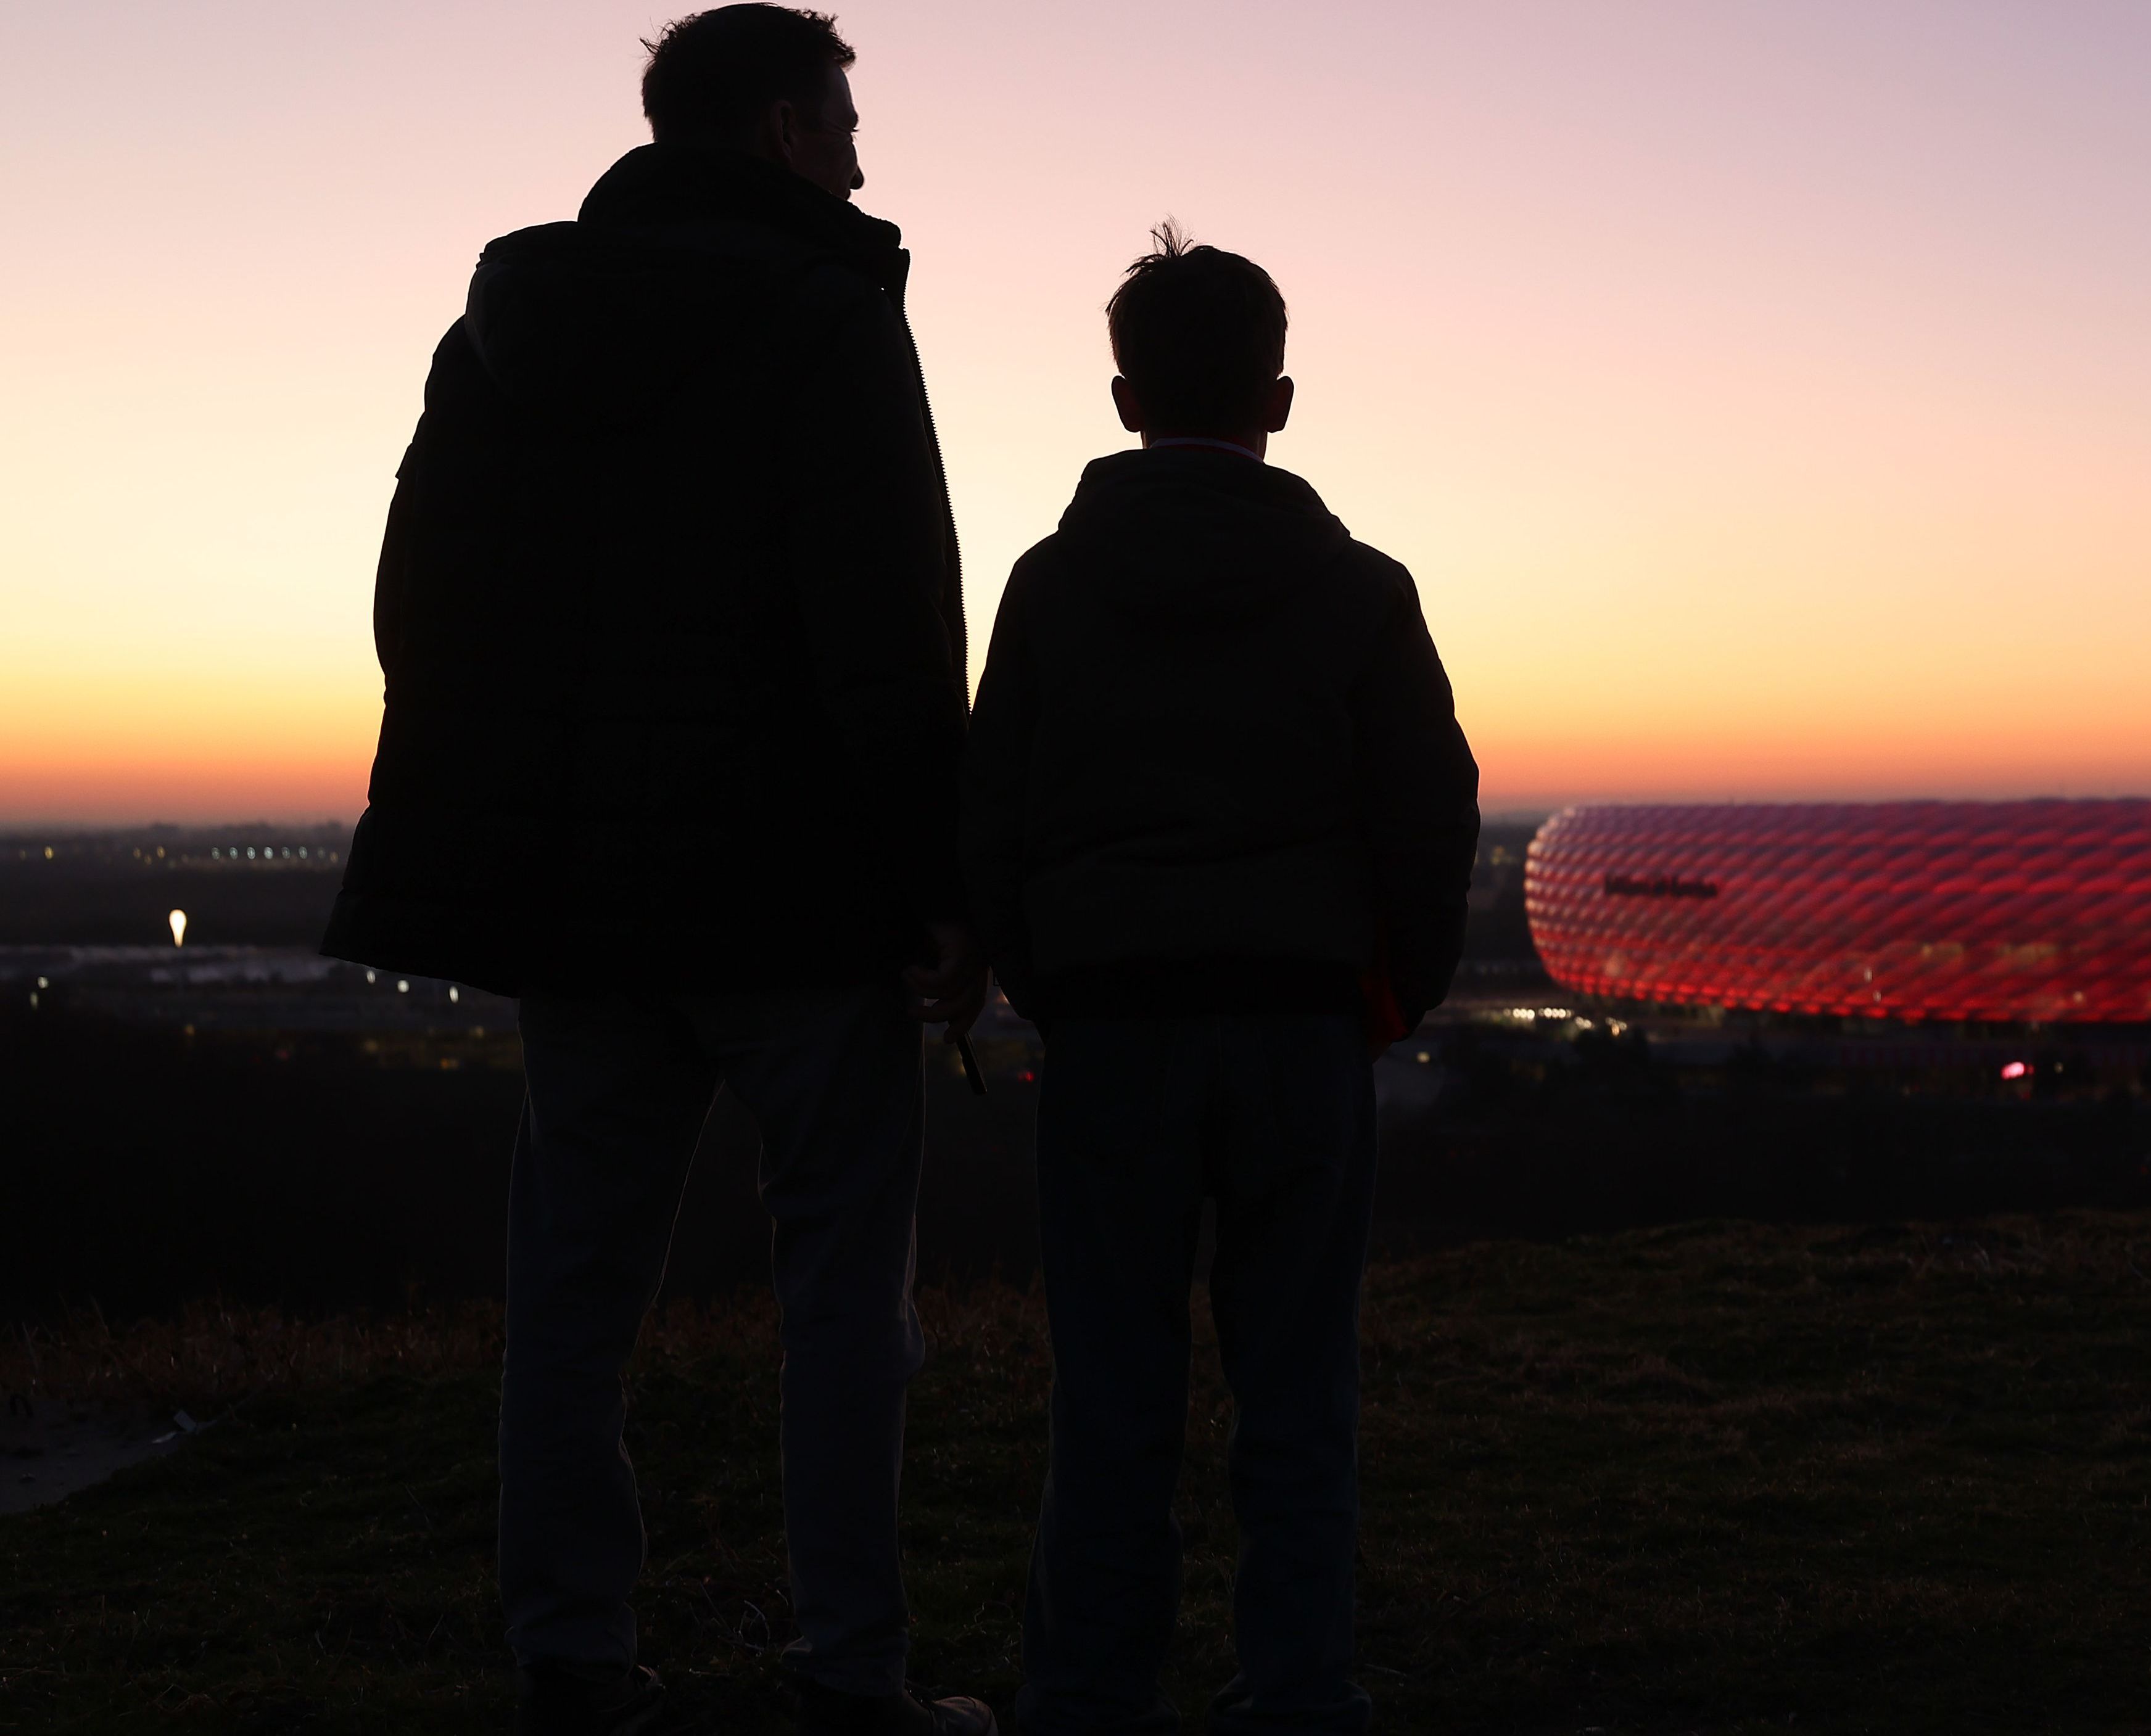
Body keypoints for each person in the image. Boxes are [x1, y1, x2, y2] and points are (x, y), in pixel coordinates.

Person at [319, 8, 994, 1733]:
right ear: (780, 130)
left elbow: (421, 603)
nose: (860, 157)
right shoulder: (829, 318)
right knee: (845, 1292)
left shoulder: (506, 333)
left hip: (584, 906)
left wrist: (510, 805)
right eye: (844, 122)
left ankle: (570, 1661)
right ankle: (849, 1673)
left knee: (572, 1291)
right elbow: (890, 627)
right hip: (801, 897)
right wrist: (944, 882)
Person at [960, 227, 1480, 1735]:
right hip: (1304, 1023)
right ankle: (1298, 1691)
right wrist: (1392, 993)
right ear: (1283, 397)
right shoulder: (1362, 589)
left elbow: (991, 809)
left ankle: (1086, 1693)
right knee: (1299, 1379)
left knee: (1112, 1384)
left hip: (1115, 1023)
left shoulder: (1053, 585)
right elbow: (1427, 812)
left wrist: (1051, 975)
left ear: (1124, 399)